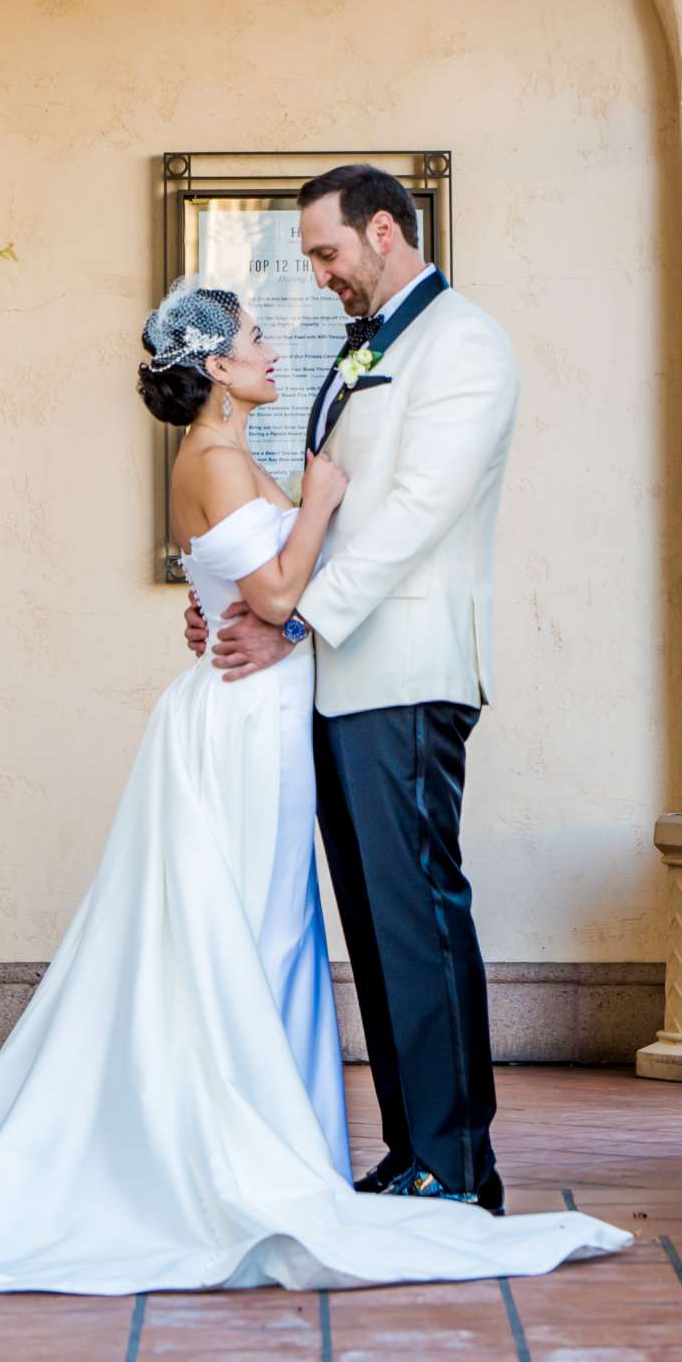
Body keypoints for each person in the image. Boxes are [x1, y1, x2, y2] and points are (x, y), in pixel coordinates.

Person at [0, 270, 629, 1293]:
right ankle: (229, 1159)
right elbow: (272, 591)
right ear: (216, 367)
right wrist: (314, 506)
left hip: (262, 717)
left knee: (269, 931)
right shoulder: (216, 457)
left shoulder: (227, 451)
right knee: (244, 932)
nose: (271, 350)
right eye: (257, 338)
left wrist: (268, 557)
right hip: (239, 726)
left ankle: (272, 1145)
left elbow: (235, 587)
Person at [191, 162, 517, 1210]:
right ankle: (412, 1150)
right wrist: (242, 598)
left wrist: (293, 619)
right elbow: (319, 513)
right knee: (378, 929)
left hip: (406, 673)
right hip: (338, 678)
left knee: (418, 914)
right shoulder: (369, 342)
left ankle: (460, 1166)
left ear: (384, 231)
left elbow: (414, 517)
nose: (321, 275)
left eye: (329, 253)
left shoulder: (462, 342)